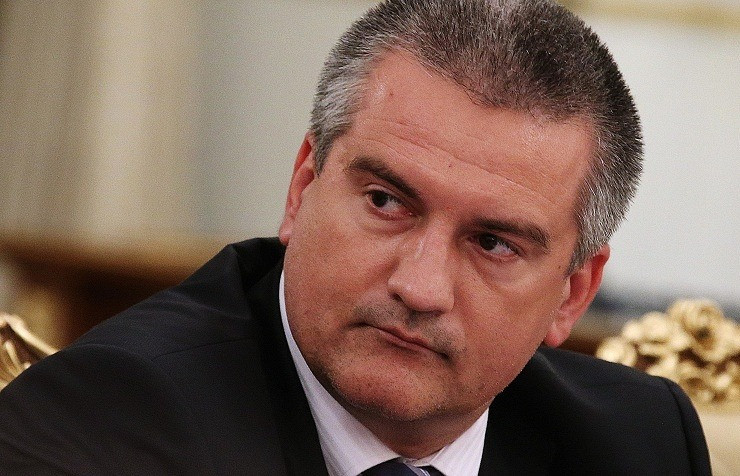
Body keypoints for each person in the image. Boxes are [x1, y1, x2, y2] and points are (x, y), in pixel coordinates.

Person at [0, 1, 710, 475]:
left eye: (493, 244)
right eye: (385, 202)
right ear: (302, 188)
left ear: (573, 294)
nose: (420, 287)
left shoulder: (640, 442)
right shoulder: (105, 423)